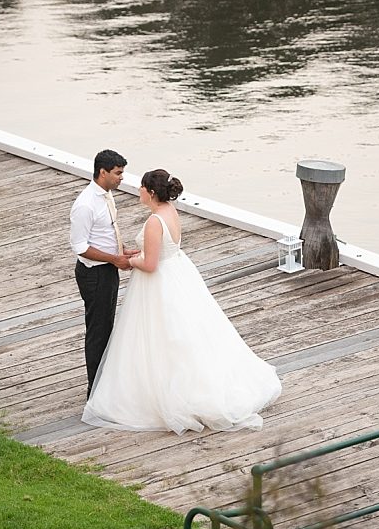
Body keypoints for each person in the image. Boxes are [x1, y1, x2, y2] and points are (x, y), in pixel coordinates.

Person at [82, 169, 282, 434]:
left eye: (141, 187)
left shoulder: (154, 221)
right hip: (177, 271)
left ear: (151, 193)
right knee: (187, 333)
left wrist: (127, 261)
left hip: (158, 282)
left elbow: (151, 264)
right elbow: (161, 250)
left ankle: (163, 394)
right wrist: (138, 253)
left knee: (159, 337)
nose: (138, 190)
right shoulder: (170, 211)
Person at [70, 149, 140, 397]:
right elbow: (80, 246)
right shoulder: (85, 205)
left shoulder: (107, 196)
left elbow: (104, 234)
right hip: (95, 274)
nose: (122, 178)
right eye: (118, 173)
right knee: (98, 331)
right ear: (103, 172)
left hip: (109, 269)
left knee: (108, 327)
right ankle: (95, 391)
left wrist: (122, 251)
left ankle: (105, 384)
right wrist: (114, 259)